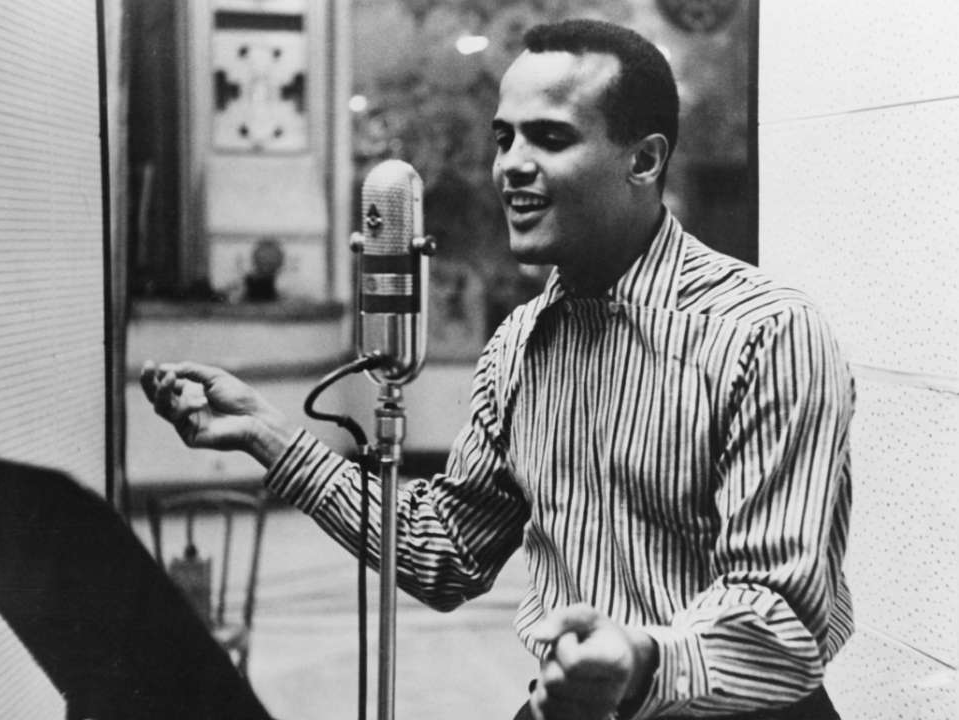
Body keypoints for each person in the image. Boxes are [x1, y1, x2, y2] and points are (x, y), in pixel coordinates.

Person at [142, 19, 854, 720]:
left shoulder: (765, 333)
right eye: (504, 137)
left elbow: (783, 617)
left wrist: (638, 660)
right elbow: (447, 551)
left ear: (643, 161)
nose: (510, 164)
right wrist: (269, 437)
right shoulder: (518, 345)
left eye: (550, 137)